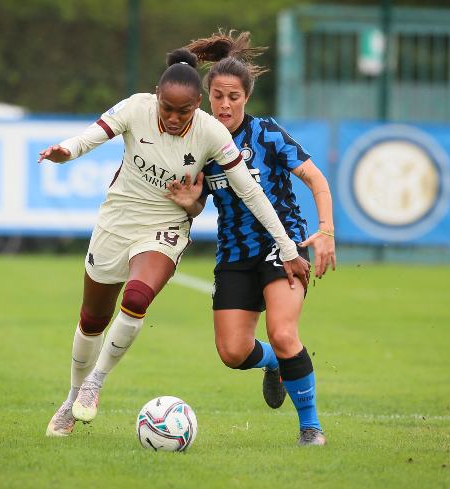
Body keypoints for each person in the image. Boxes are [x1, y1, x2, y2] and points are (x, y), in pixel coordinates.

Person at [40, 47, 311, 437]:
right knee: (92, 319)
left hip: (164, 228)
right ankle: (72, 397)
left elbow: (252, 192)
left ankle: (95, 384)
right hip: (117, 222)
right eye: (166, 108)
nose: (172, 117)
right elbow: (90, 136)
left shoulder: (212, 133)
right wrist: (65, 151)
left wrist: (288, 247)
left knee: (136, 298)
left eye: (183, 112)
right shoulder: (136, 108)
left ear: (197, 106)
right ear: (156, 96)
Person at [166, 30, 336, 446]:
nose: (225, 105)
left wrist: (326, 232)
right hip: (236, 254)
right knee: (233, 352)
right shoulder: (202, 144)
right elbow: (198, 204)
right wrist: (190, 202)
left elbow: (316, 179)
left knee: (282, 331)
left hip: (285, 248)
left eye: (234, 97)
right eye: (218, 96)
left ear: (247, 99)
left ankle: (310, 428)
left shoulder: (267, 135)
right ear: (207, 96)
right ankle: (277, 364)